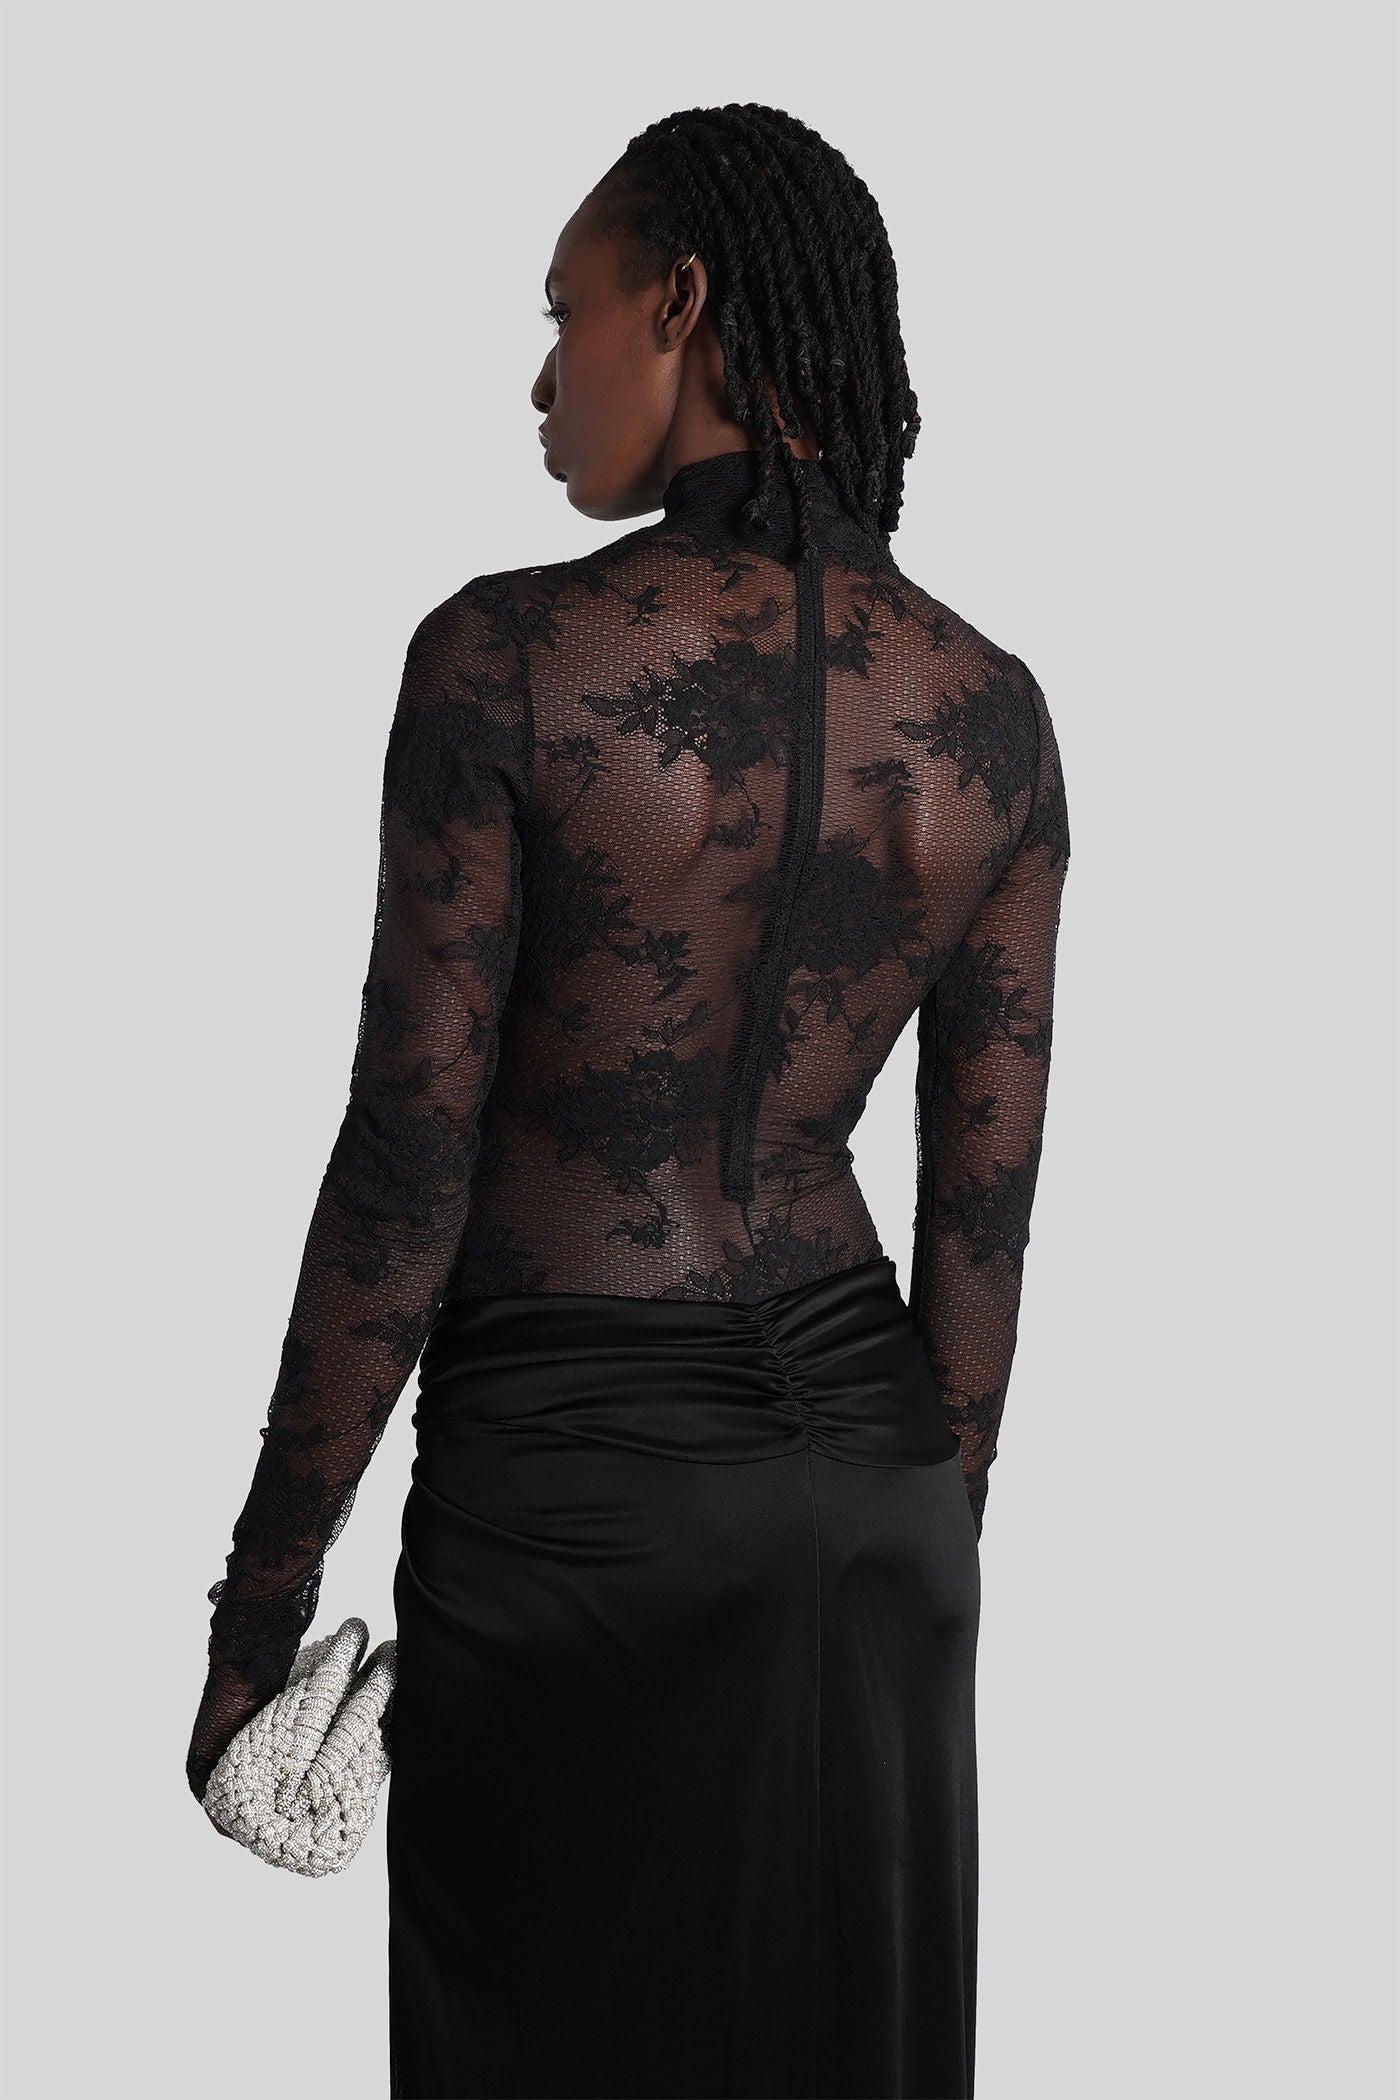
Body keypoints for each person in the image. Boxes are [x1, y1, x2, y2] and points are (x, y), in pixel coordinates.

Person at [187, 100, 1071, 2100]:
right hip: (883, 1513)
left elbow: (408, 1158)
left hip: (580, 1513)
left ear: (679, 303)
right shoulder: (992, 715)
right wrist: (915, 1553)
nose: (540, 374)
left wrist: (259, 1611)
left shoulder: (508, 659)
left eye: (561, 310)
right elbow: (984, 1215)